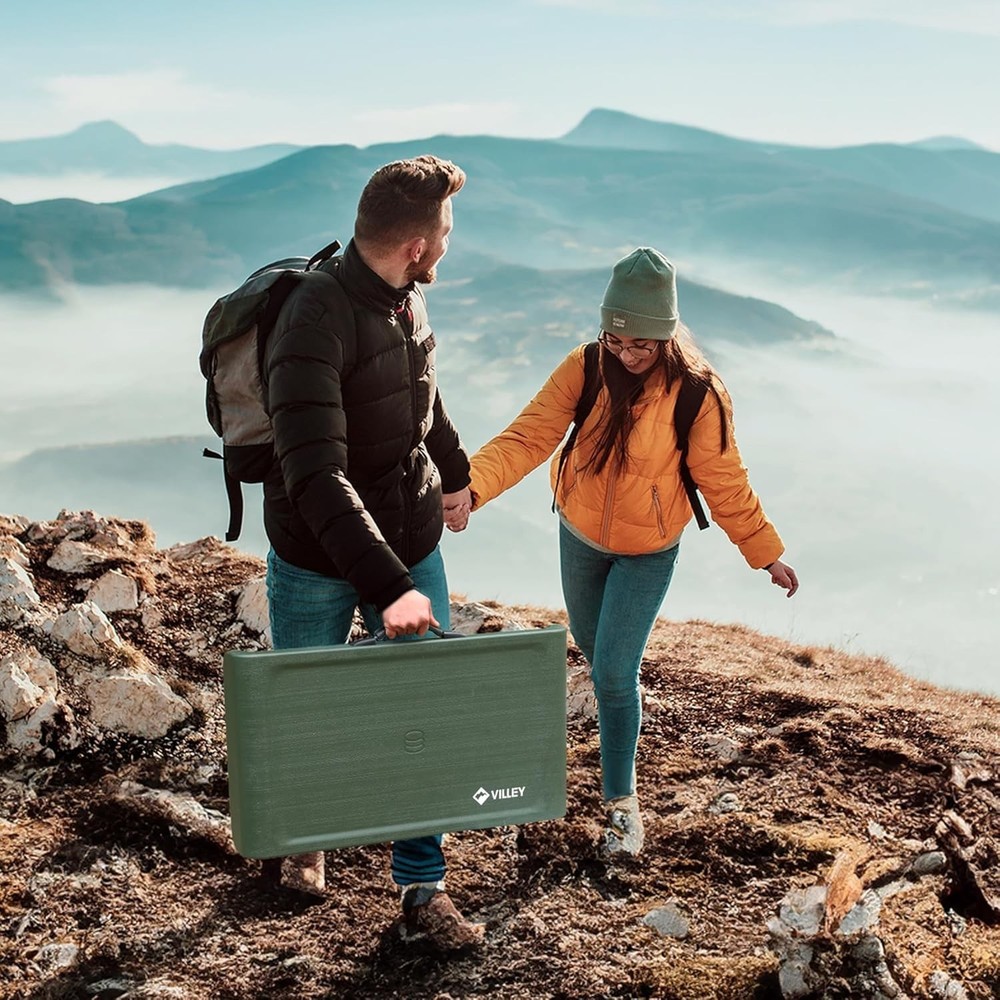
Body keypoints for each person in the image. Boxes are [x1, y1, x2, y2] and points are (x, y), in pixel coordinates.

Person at [444, 247, 798, 858]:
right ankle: (619, 731)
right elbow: (529, 436)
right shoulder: (584, 366)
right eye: (616, 339)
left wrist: (764, 551)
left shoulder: (697, 394)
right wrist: (471, 488)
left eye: (641, 345)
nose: (627, 354)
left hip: (648, 552)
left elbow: (724, 480)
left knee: (612, 672)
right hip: (578, 536)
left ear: (667, 336)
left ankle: (621, 801)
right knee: (595, 652)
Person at [263, 154, 484, 949]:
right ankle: (305, 841)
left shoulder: (404, 297)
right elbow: (314, 477)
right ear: (416, 246)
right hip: (316, 554)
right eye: (446, 232)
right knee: (309, 705)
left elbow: (421, 392)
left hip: (410, 534)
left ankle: (423, 888)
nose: (449, 244)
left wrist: (455, 475)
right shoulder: (312, 321)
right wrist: (392, 589)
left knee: (421, 714)